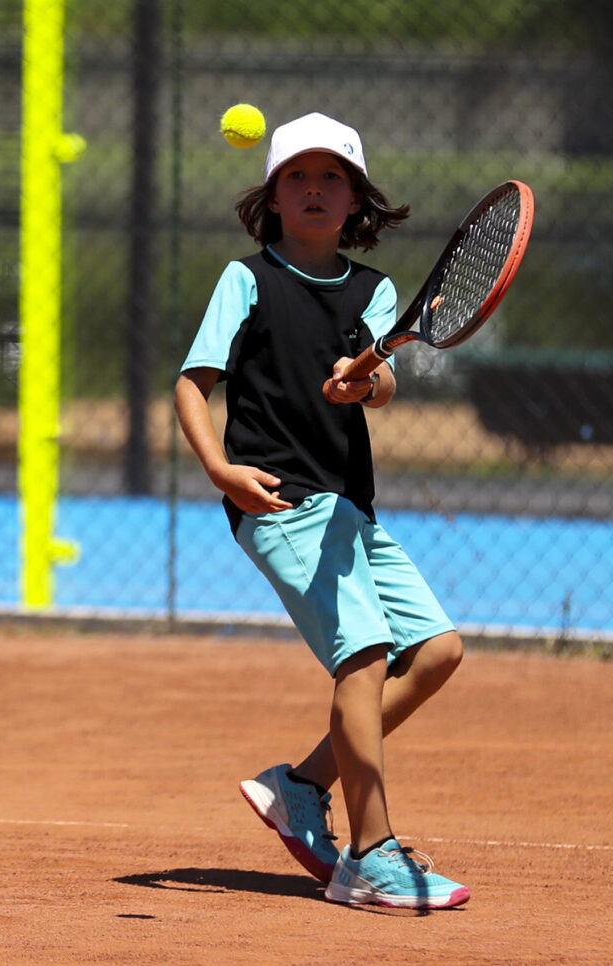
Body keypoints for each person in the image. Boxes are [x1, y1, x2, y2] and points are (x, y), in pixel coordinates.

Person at [174, 112, 469, 910]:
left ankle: (300, 786)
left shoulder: (372, 292)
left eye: (329, 177)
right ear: (271, 197)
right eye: (295, 177)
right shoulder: (246, 280)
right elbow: (192, 383)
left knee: (437, 652)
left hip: (348, 509)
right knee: (365, 656)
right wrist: (219, 469)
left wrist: (363, 380)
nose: (312, 188)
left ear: (355, 204)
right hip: (278, 501)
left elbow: (384, 382)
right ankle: (370, 857)